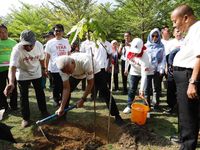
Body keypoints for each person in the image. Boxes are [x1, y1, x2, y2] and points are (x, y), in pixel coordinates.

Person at [55, 53, 124, 126]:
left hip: (94, 70)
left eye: (69, 71)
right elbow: (66, 88)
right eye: (65, 72)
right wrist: (61, 107)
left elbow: (90, 83)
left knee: (104, 91)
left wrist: (83, 99)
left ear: (72, 62)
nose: (68, 74)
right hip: (77, 75)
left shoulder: (85, 62)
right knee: (65, 93)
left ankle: (117, 116)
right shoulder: (63, 69)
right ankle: (62, 116)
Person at [4, 30, 49, 128]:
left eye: (30, 45)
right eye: (25, 45)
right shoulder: (17, 49)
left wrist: (43, 69)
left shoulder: (39, 45)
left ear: (34, 42)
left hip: (36, 73)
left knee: (40, 92)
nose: (28, 48)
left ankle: (44, 111)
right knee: (23, 96)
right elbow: (12, 67)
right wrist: (11, 82)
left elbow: (41, 59)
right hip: (22, 74)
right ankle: (25, 118)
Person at [171, 4, 200, 149]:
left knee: (188, 117)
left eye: (175, 21)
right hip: (183, 77)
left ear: (186, 18)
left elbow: (199, 56)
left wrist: (192, 82)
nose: (174, 26)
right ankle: (184, 139)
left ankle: (187, 145)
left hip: (188, 77)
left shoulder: (198, 29)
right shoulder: (192, 31)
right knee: (183, 114)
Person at [123, 38, 153, 114]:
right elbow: (127, 60)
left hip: (145, 73)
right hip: (134, 72)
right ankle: (129, 106)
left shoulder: (145, 57)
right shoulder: (129, 51)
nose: (135, 53)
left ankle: (146, 109)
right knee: (132, 89)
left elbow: (144, 75)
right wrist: (126, 69)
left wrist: (141, 89)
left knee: (146, 91)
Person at [45, 24, 71, 106]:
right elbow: (47, 56)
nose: (58, 32)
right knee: (56, 85)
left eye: (60, 30)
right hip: (54, 68)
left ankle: (63, 99)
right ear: (54, 32)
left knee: (64, 84)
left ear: (63, 32)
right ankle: (56, 99)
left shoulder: (66, 41)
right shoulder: (50, 43)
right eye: (56, 30)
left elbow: (69, 53)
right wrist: (45, 68)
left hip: (65, 67)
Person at [145, 28, 166, 109]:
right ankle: (147, 105)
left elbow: (163, 59)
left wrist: (161, 69)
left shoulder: (161, 46)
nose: (154, 37)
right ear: (150, 36)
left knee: (156, 88)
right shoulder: (145, 46)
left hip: (157, 70)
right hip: (147, 70)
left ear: (159, 37)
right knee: (147, 88)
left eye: (156, 36)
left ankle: (155, 105)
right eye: (153, 36)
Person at [0, 24, 18, 111]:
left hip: (12, 69)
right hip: (1, 69)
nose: (3, 34)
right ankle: (4, 105)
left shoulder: (13, 42)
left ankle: (14, 105)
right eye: (1, 32)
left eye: (5, 32)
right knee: (1, 87)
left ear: (7, 32)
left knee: (13, 87)